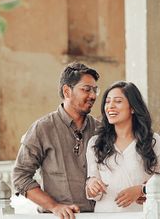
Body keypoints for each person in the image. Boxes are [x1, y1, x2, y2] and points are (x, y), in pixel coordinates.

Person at [13, 62, 100, 218]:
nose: (93, 95)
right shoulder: (42, 128)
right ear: (67, 91)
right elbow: (20, 177)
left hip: (102, 215)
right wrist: (54, 206)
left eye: (95, 90)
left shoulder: (100, 129)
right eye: (86, 89)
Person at [84, 81, 160, 213]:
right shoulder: (95, 143)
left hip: (140, 215)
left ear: (132, 107)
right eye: (107, 102)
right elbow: (93, 188)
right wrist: (91, 186)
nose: (110, 106)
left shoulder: (152, 141)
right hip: (104, 214)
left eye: (118, 101)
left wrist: (142, 190)